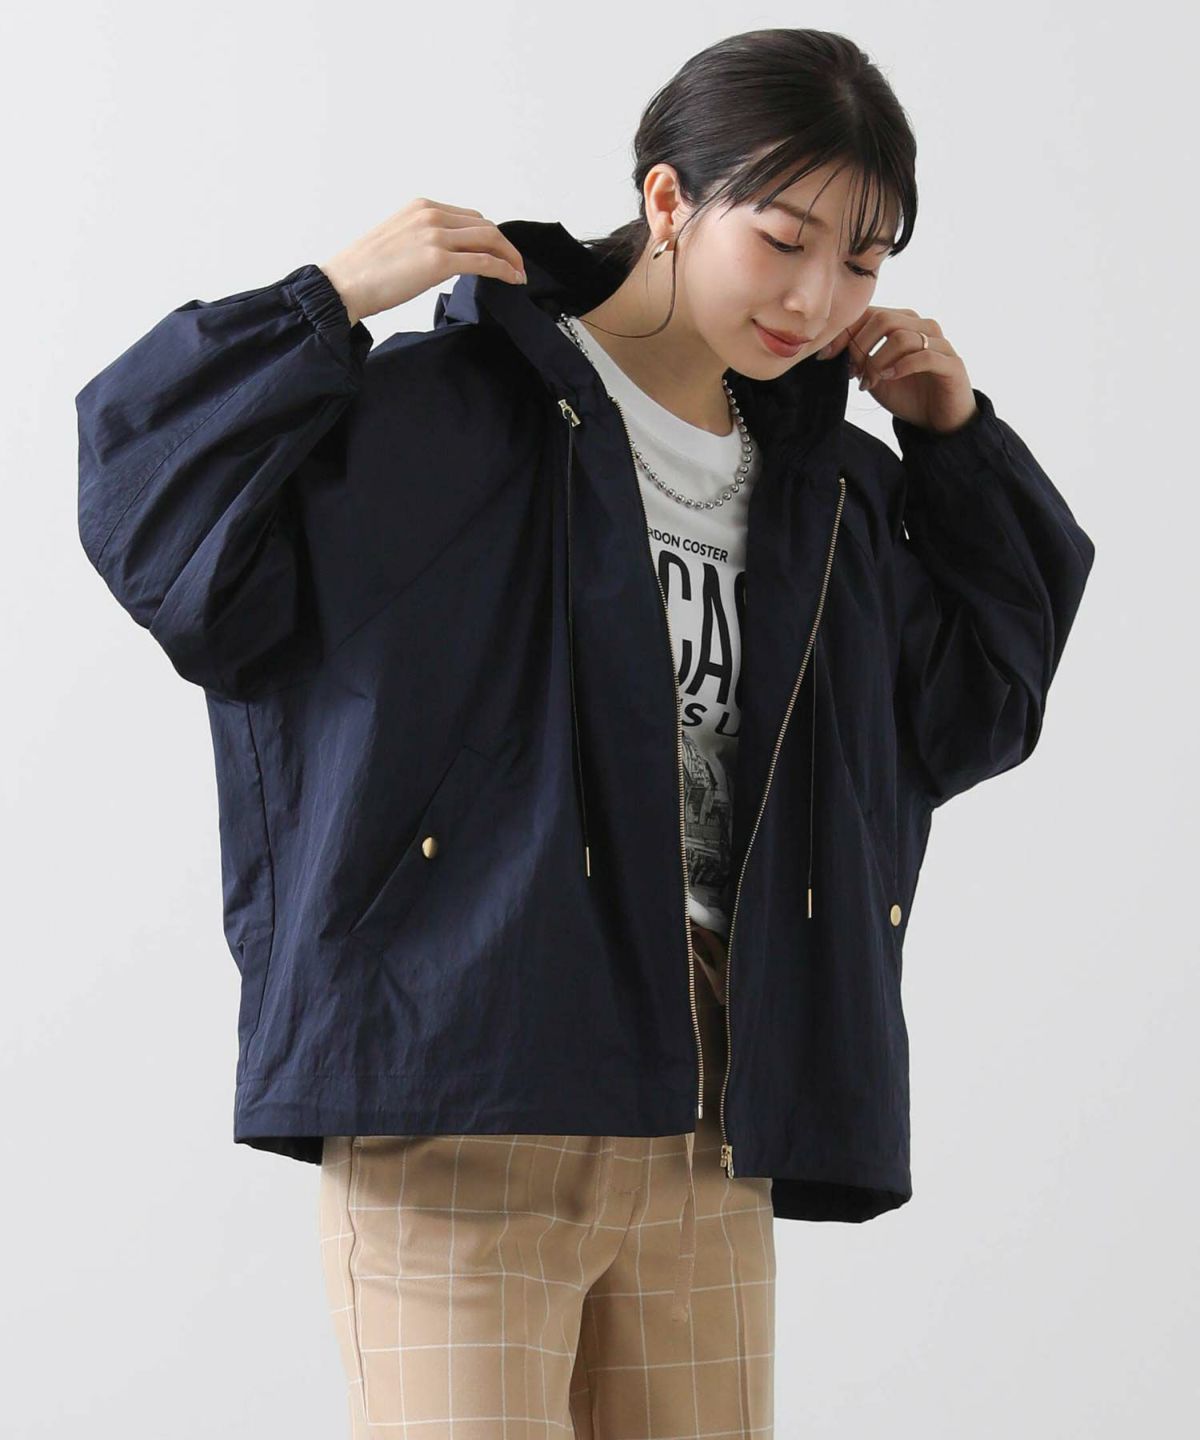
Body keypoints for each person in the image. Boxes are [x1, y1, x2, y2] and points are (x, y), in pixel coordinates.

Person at [74, 26, 1096, 1439]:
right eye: (784, 238)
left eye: (862, 262)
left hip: (710, 1101)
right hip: (460, 1076)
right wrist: (327, 302)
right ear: (669, 200)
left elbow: (981, 702)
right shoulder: (449, 416)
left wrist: (957, 443)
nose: (817, 298)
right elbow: (154, 510)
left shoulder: (829, 499)